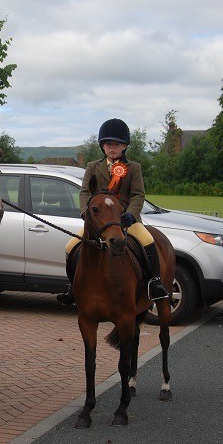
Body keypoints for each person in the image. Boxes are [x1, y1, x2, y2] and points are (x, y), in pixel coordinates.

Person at [57, 118, 169, 305]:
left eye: (116, 144)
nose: (112, 148)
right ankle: (72, 287)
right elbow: (85, 191)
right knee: (70, 246)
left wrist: (131, 215)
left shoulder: (134, 168)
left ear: (124, 146)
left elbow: (138, 195)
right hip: (100, 222)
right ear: (102, 146)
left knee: (148, 241)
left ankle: (154, 283)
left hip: (126, 220)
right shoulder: (93, 166)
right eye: (108, 144)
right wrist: (86, 213)